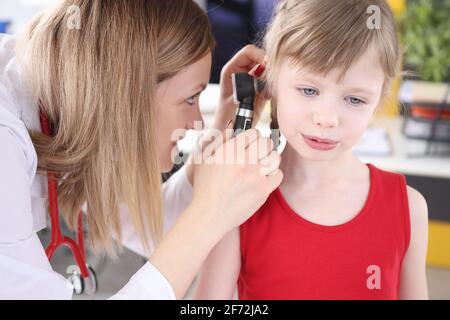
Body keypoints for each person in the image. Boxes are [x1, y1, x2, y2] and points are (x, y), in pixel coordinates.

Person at [0, 0, 283, 299]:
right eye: (190, 98)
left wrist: (225, 123)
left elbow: (155, 231)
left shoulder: (72, 107)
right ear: (126, 96)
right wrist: (210, 214)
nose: (198, 123)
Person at [194, 0, 429, 300]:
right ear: (270, 81)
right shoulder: (238, 202)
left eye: (355, 100)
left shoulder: (409, 209)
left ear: (380, 97)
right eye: (309, 90)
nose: (327, 119)